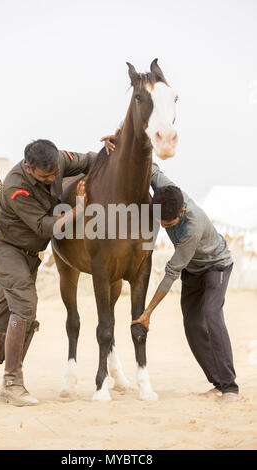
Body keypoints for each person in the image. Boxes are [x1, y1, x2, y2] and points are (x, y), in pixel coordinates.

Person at [102, 130, 239, 404]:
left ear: (180, 214)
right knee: (191, 323)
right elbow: (150, 164)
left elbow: (171, 273)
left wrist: (147, 313)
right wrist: (122, 143)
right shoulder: (164, 189)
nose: (165, 227)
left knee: (212, 315)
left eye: (170, 224)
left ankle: (230, 388)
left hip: (216, 267)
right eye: (161, 222)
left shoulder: (192, 227)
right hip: (194, 271)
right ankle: (217, 382)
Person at [0, 139, 94, 406]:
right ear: (28, 167)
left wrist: (115, 147)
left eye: (54, 174)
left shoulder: (59, 161)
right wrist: (79, 210)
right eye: (44, 175)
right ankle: (13, 382)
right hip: (4, 248)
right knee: (25, 306)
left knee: (6, 315)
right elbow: (44, 226)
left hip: (27, 256)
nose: (51, 179)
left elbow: (88, 159)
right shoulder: (16, 186)